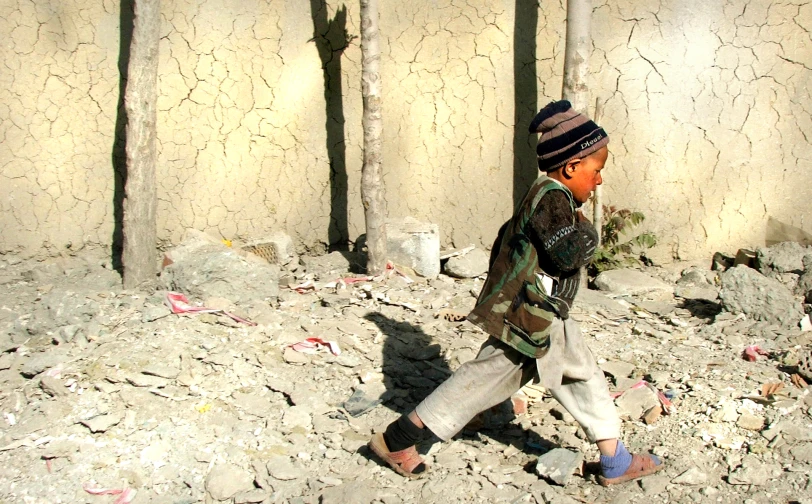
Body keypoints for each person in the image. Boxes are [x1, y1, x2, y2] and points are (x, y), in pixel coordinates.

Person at [368, 100, 664, 486]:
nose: (599, 180)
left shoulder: (551, 196)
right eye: (597, 170)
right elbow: (567, 254)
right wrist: (590, 235)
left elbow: (506, 244)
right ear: (572, 167)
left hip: (544, 313)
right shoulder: (551, 199)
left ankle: (615, 460)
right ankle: (397, 440)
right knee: (480, 381)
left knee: (581, 374)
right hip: (528, 320)